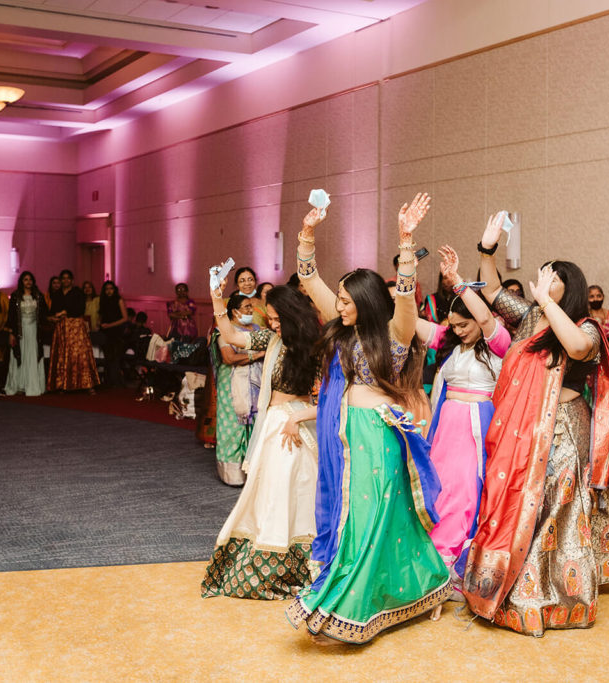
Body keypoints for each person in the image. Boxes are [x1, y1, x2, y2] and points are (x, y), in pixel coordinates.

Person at [462, 211, 609, 638]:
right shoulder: (531, 319)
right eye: (541, 275)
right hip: (524, 428)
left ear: (569, 287)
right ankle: (517, 584)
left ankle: (554, 594)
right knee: (529, 501)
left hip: (564, 425)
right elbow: (490, 292)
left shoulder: (586, 326)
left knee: (558, 501)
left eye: (551, 277)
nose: (542, 280)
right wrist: (488, 249)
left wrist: (545, 302)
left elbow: (577, 349)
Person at [286, 193, 450, 645]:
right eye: (336, 299)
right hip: (344, 435)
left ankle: (351, 606)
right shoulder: (344, 329)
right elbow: (308, 279)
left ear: (364, 300)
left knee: (371, 517)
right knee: (377, 518)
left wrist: (406, 244)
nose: (337, 306)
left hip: (376, 434)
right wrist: (306, 234)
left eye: (345, 300)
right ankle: (428, 586)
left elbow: (405, 301)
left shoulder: (394, 334)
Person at [202, 284, 321, 599]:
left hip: (295, 428)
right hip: (272, 424)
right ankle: (268, 565)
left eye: (277, 318)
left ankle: (295, 565)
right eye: (269, 318)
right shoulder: (271, 340)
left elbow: (331, 402)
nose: (272, 324)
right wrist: (217, 299)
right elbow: (231, 337)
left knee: (290, 496)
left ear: (293, 316)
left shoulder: (314, 348)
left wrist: (297, 418)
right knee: (266, 493)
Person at [413, 245, 511, 609]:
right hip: (445, 427)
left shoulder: (499, 344)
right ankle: (433, 566)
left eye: (464, 324)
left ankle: (453, 567)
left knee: (467, 495)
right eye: (453, 325)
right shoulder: (449, 340)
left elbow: (486, 322)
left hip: (476, 428)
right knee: (439, 491)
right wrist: (406, 276)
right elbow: (412, 324)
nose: (458, 331)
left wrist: (458, 284)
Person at [208, 294, 264, 484]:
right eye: (247, 307)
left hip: (255, 387)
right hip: (231, 388)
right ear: (234, 311)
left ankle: (253, 473)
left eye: (251, 307)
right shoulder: (223, 331)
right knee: (233, 428)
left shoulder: (258, 330)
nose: (251, 311)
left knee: (255, 426)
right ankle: (232, 475)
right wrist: (257, 356)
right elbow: (229, 358)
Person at [47, 269, 100, 393]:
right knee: (63, 355)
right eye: (63, 278)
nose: (65, 280)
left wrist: (65, 312)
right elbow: (53, 309)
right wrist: (52, 317)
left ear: (72, 280)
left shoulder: (77, 292)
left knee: (80, 355)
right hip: (61, 327)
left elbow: (80, 308)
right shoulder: (57, 294)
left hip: (76, 326)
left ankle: (87, 384)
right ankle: (64, 384)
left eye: (68, 278)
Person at [4, 271, 47, 397]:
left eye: (30, 279)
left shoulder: (39, 296)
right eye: (25, 279)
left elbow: (44, 314)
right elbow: (11, 316)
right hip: (20, 330)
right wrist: (11, 332)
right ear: (21, 282)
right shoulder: (15, 296)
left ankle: (33, 385)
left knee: (33, 355)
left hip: (34, 330)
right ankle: (19, 385)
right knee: (20, 355)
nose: (28, 282)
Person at [97, 280, 128, 387]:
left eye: (111, 289)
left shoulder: (119, 300)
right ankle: (109, 382)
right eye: (106, 289)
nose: (109, 291)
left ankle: (117, 383)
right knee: (108, 357)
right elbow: (101, 315)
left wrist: (109, 325)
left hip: (116, 332)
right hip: (105, 331)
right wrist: (99, 323)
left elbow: (125, 318)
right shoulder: (103, 301)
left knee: (115, 357)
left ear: (114, 290)